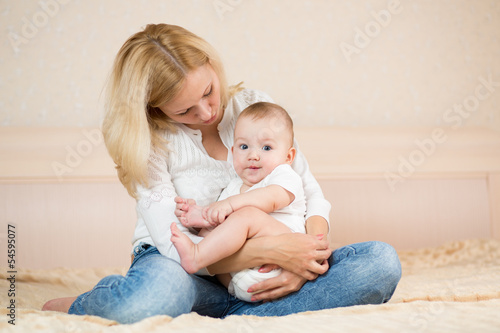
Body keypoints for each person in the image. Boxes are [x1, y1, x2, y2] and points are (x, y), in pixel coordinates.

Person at [42, 23, 401, 324]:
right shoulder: (147, 143)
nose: (207, 111)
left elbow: (309, 192)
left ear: (211, 64)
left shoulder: (251, 106)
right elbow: (175, 247)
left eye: (208, 92)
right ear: (154, 108)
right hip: (186, 271)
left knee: (380, 262)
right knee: (157, 295)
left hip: (269, 269)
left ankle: (246, 311)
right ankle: (91, 303)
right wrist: (275, 250)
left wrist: (308, 256)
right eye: (185, 110)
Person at [171, 101, 309, 302]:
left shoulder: (284, 175)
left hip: (287, 256)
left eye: (267, 147)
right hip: (240, 278)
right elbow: (224, 222)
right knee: (210, 231)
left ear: (288, 156)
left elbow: (270, 199)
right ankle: (234, 292)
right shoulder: (233, 187)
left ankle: (197, 256)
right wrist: (202, 215)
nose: (253, 155)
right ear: (233, 152)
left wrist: (229, 205)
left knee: (248, 215)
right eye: (244, 146)